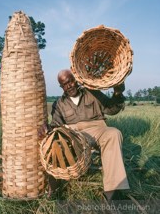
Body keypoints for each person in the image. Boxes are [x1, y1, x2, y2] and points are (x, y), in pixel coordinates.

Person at [40, 69, 130, 201]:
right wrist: (47, 127)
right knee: (53, 142)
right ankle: (54, 189)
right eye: (65, 84)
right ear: (61, 86)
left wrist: (117, 93)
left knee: (114, 134)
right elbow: (56, 125)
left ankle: (112, 192)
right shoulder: (59, 104)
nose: (69, 85)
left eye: (71, 81)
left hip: (97, 129)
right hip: (74, 134)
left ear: (76, 79)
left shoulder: (92, 92)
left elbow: (111, 109)